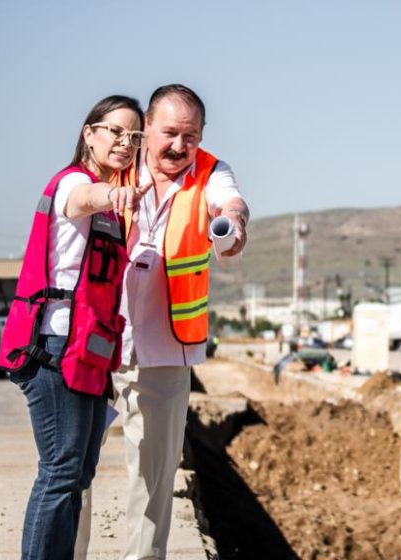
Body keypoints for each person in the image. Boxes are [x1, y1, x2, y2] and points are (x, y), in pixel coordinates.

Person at [0, 94, 149, 560]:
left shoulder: (107, 198)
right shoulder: (74, 185)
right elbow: (84, 198)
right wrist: (112, 193)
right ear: (89, 133)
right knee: (60, 471)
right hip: (55, 347)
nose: (125, 143)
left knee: (78, 475)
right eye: (116, 132)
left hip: (88, 351)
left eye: (134, 136)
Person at [114, 84, 250, 559]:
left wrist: (232, 224)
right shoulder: (116, 164)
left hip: (167, 349)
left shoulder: (212, 172)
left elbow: (231, 205)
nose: (178, 145)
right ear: (146, 127)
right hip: (100, 337)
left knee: (153, 476)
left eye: (190, 137)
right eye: (169, 132)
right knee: (74, 472)